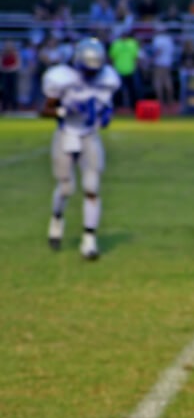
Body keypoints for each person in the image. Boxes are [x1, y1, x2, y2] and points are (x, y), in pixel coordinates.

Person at [41, 37, 121, 259]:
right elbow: (44, 111)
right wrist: (65, 111)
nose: (91, 76)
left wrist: (106, 114)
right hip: (67, 134)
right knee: (66, 188)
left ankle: (89, 241)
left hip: (89, 135)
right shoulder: (61, 77)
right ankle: (56, 220)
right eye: (88, 71)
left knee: (92, 187)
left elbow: (106, 105)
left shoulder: (107, 78)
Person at [108, 30, 142, 109]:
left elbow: (136, 57)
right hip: (118, 70)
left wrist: (136, 66)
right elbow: (112, 57)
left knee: (133, 90)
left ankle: (134, 107)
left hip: (131, 69)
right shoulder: (116, 44)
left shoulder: (132, 43)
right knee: (117, 90)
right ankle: (117, 106)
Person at [150, 23, 175, 105]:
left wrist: (151, 59)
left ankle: (160, 101)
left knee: (158, 81)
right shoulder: (169, 39)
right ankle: (170, 100)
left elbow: (158, 51)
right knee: (167, 80)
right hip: (167, 62)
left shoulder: (157, 39)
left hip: (159, 62)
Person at [1, 40, 22, 113]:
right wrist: (5, 69)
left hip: (13, 74)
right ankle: (5, 107)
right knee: (5, 91)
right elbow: (1, 64)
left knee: (14, 91)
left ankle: (14, 107)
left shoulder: (15, 53)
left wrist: (9, 69)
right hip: (5, 74)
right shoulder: (3, 54)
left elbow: (18, 64)